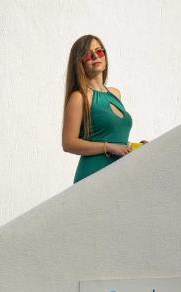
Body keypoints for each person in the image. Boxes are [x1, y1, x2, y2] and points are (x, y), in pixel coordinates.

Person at [62, 34, 143, 184]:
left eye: (99, 52)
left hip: (118, 174)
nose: (95, 57)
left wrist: (134, 146)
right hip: (93, 174)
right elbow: (68, 143)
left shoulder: (115, 94)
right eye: (88, 55)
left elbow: (114, 139)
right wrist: (108, 147)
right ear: (80, 62)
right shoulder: (80, 97)